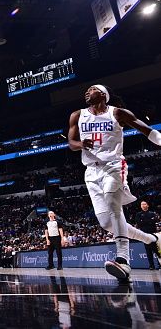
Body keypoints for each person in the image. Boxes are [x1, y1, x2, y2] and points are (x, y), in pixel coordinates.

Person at [68, 84, 161, 282]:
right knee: (106, 223)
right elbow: (71, 143)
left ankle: (124, 260)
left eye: (92, 89)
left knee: (113, 204)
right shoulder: (77, 115)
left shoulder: (117, 113)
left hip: (113, 165)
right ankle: (152, 239)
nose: (87, 91)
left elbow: (146, 130)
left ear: (103, 95)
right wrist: (81, 144)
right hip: (91, 171)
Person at [134, 200, 160, 270]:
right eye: (141, 204)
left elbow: (154, 220)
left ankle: (159, 264)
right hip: (145, 235)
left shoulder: (152, 213)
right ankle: (151, 265)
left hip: (153, 234)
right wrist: (149, 221)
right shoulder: (138, 214)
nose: (143, 205)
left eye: (144, 204)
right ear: (140, 206)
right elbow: (139, 223)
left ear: (147, 205)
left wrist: (144, 221)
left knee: (157, 250)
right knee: (148, 251)